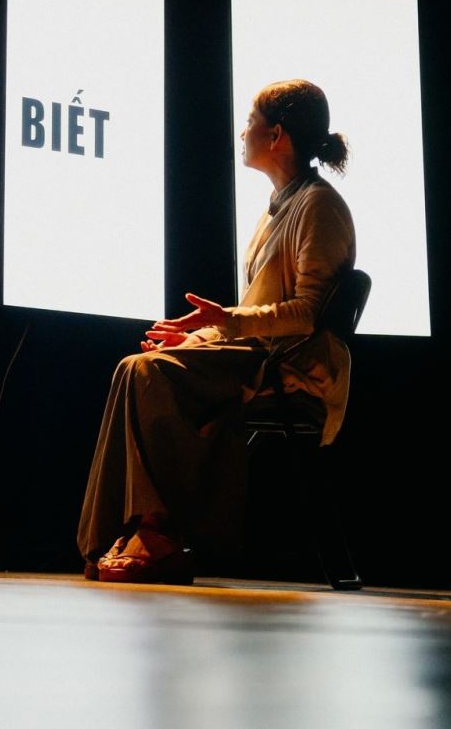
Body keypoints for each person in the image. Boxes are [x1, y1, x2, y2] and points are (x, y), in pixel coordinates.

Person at [78, 79, 357, 583]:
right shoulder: (279, 207)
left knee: (148, 373)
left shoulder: (319, 206)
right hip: (258, 352)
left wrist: (222, 321)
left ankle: (158, 532)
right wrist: (199, 337)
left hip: (292, 363)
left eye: (250, 122)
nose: (242, 132)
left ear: (277, 136)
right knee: (133, 367)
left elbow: (305, 315)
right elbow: (256, 314)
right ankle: (121, 531)